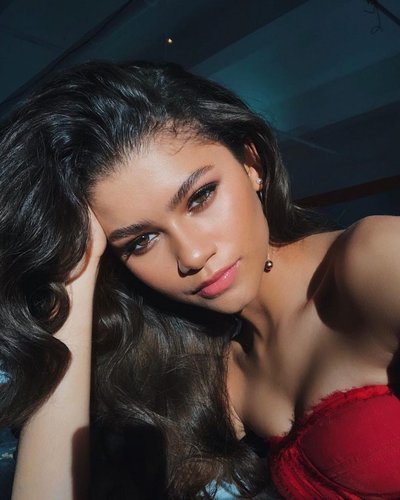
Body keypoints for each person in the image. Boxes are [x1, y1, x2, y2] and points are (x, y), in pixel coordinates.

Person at [0, 60, 399, 500]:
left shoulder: (374, 259)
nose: (191, 255)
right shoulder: (224, 371)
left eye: (201, 197)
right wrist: (73, 274)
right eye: (141, 241)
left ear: (251, 164)